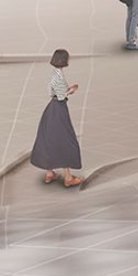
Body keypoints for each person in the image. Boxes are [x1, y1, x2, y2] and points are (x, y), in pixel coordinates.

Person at [31, 48, 84, 187]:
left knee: (49, 138)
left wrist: (66, 89)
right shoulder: (59, 76)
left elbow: (51, 91)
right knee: (65, 139)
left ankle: (49, 173)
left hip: (51, 108)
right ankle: (68, 177)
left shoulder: (54, 73)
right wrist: (72, 90)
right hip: (59, 109)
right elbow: (61, 96)